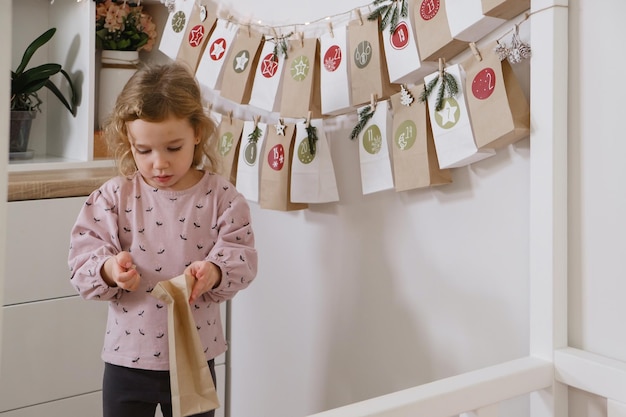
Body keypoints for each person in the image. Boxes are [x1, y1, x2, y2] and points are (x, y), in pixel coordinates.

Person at [68, 62, 258, 417]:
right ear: (128, 140)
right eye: (144, 150)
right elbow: (82, 262)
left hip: (194, 359)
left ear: (198, 132)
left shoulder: (223, 198)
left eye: (173, 148)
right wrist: (110, 270)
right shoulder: (113, 198)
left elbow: (242, 257)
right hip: (126, 360)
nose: (159, 164)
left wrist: (215, 272)